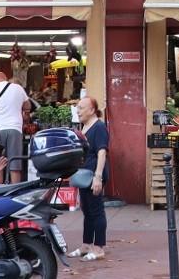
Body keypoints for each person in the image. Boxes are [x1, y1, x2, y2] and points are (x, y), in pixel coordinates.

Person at [70, 96, 109, 262]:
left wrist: (98, 177)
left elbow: (102, 152)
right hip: (83, 176)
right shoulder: (83, 127)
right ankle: (86, 245)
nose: (78, 111)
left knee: (96, 211)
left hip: (93, 176)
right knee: (87, 211)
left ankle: (99, 248)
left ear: (92, 110)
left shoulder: (99, 127)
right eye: (77, 108)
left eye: (81, 108)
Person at [0, 71, 29, 183]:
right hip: (15, 129)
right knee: (15, 164)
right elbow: (27, 106)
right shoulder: (17, 88)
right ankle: (15, 189)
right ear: (5, 78)